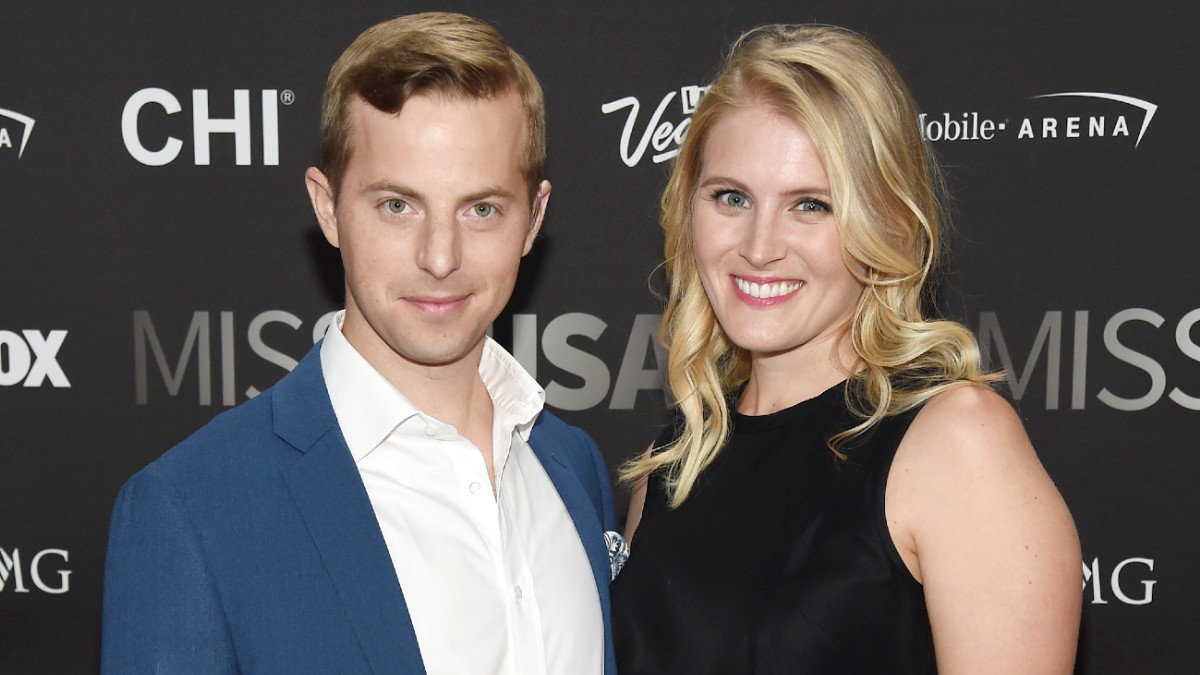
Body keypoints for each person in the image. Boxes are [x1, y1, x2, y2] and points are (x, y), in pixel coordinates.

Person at [102, 12, 619, 674]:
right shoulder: (191, 510)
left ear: (533, 218)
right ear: (328, 207)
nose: (440, 256)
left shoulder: (572, 466)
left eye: (481, 208)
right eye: (397, 205)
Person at [610, 24, 1081, 674]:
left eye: (811, 205)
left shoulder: (954, 445)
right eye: (731, 197)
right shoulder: (675, 464)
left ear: (883, 219)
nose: (759, 244)